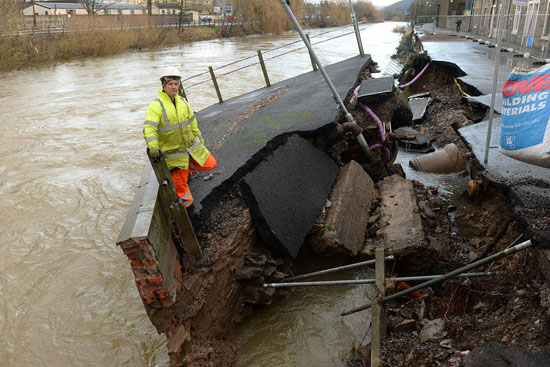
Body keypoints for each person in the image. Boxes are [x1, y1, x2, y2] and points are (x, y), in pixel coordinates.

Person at [143, 66, 217, 208]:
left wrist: (199, 139)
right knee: (181, 188)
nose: (174, 87)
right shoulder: (156, 105)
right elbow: (149, 127)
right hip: (174, 155)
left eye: (176, 84)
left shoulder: (183, 102)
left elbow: (192, 123)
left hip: (190, 148)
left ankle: (188, 168)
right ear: (164, 86)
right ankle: (188, 209)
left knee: (211, 163)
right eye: (170, 84)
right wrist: (153, 145)